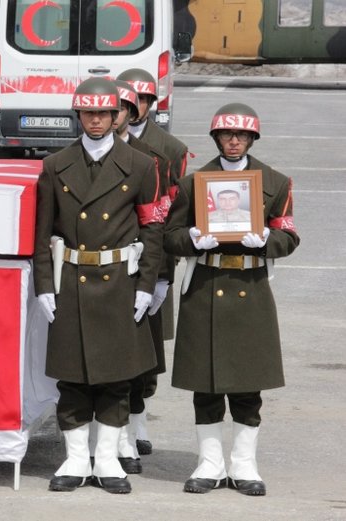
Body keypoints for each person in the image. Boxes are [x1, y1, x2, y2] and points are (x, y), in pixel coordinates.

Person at [33, 77, 164, 494]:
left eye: (104, 113)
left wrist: (147, 285)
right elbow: (41, 233)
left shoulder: (141, 165)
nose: (96, 120)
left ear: (116, 116)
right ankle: (75, 459)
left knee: (115, 378)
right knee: (72, 379)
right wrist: (43, 286)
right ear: (78, 115)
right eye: (88, 113)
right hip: (71, 280)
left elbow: (152, 230)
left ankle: (107, 460)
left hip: (119, 283)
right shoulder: (56, 165)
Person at [164, 103, 300, 496]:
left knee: (247, 386)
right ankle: (209, 464)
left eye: (242, 135)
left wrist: (267, 240)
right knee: (205, 385)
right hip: (205, 285)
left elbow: (290, 236)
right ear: (216, 137)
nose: (234, 141)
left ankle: (244, 465)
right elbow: (170, 235)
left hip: (250, 287)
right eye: (227, 134)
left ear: (253, 138)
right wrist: (191, 239)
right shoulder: (193, 183)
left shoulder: (274, 182)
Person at [116, 67, 189, 455]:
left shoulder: (170, 150)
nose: (137, 106)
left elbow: (171, 215)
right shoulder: (103, 138)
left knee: (148, 349)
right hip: (114, 258)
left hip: (152, 261)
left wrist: (163, 275)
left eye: (143, 99)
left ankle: (139, 421)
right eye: (131, 99)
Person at [112, 80, 171, 475]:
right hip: (102, 270)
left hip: (141, 270)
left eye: (126, 107)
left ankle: (133, 429)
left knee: (140, 362)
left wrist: (161, 275)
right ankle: (112, 437)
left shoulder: (159, 156)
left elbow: (163, 220)